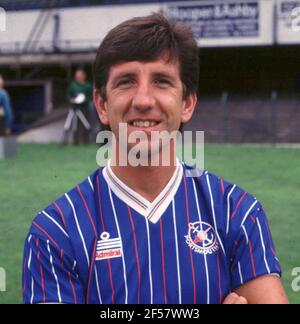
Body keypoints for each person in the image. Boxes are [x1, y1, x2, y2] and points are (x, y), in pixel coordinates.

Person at [22, 14, 288, 304]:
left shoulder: (237, 213)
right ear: (101, 104)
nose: (144, 100)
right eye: (126, 82)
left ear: (187, 103)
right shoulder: (55, 232)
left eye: (161, 81)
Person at [66, 68, 92, 144]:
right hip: (75, 108)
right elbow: (68, 96)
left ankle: (86, 141)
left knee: (85, 124)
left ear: (84, 76)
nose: (78, 78)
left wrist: (85, 99)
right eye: (77, 76)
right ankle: (75, 141)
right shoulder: (72, 85)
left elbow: (91, 96)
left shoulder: (87, 86)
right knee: (75, 125)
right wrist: (71, 100)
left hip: (84, 108)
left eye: (80, 76)